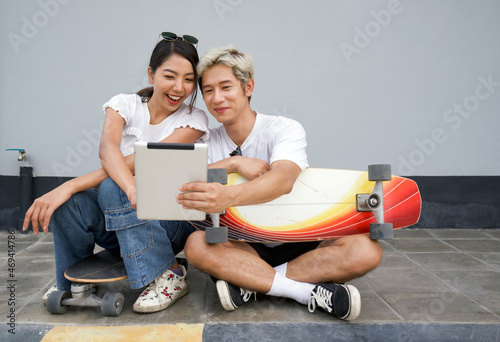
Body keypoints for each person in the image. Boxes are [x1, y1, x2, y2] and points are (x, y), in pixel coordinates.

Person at [177, 46, 383, 320]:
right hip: (243, 244)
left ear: (247, 87)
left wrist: (228, 196)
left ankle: (252, 283)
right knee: (196, 245)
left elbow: (283, 179)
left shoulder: (283, 128)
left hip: (301, 237)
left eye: (226, 87)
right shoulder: (205, 139)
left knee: (366, 249)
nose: (217, 98)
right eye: (209, 91)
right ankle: (305, 292)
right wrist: (233, 163)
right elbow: (179, 182)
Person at [23, 32, 209, 313]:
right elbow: (108, 150)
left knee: (112, 187)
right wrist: (72, 192)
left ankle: (170, 273)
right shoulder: (124, 104)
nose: (179, 87)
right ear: (151, 74)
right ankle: (74, 279)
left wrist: (71, 184)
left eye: (188, 79)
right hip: (123, 213)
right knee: (72, 204)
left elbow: (142, 160)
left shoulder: (194, 119)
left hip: (172, 221)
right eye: (169, 76)